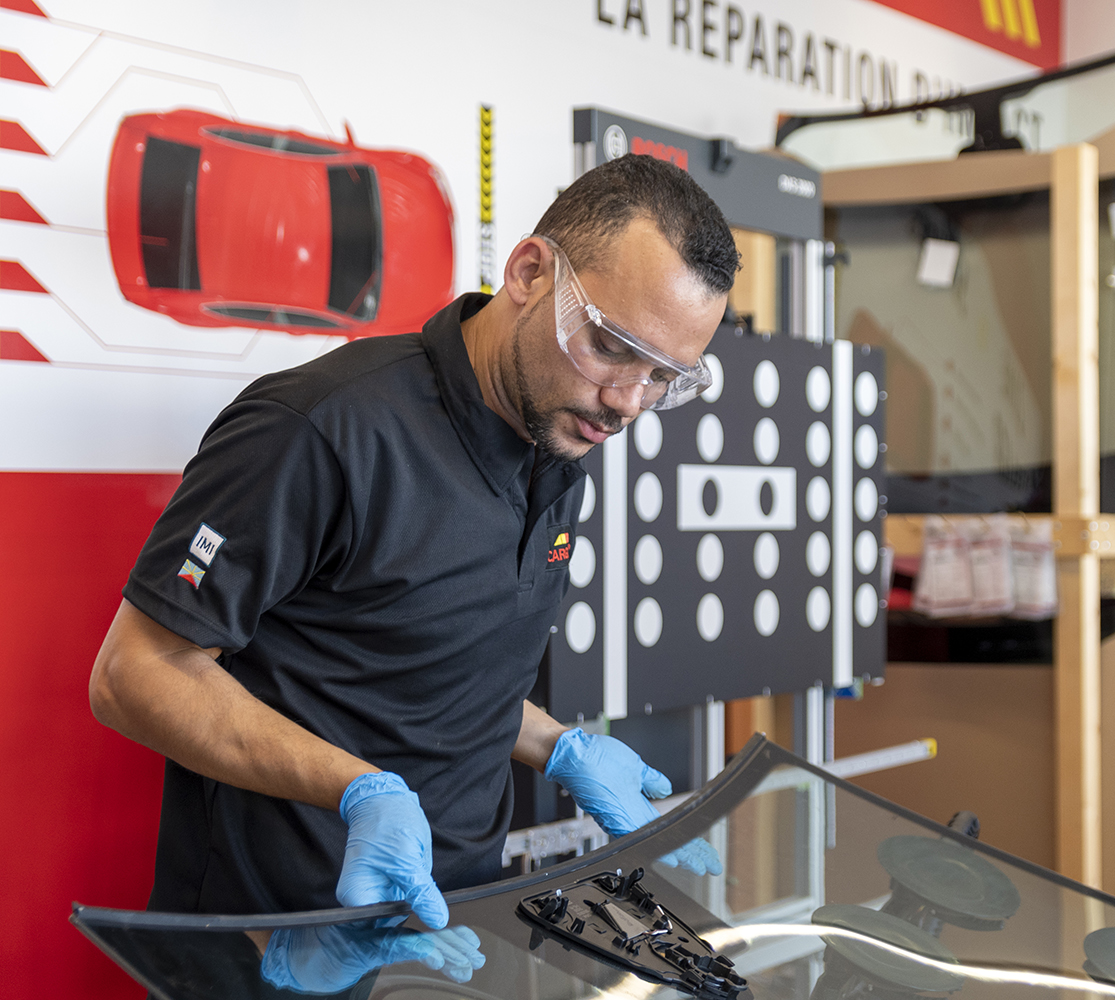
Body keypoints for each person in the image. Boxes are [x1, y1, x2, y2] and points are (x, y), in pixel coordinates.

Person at [88, 155, 737, 964]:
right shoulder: (320, 430)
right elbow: (134, 674)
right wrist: (355, 790)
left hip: (448, 934)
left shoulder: (557, 440)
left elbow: (418, 666)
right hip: (276, 943)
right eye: (611, 345)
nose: (627, 402)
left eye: (664, 377)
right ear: (529, 272)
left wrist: (558, 747)